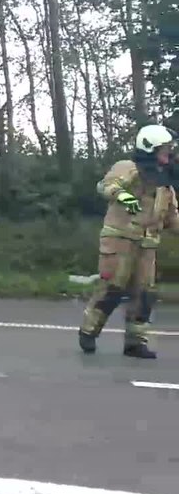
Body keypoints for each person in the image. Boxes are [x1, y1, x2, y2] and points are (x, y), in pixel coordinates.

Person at [79, 124, 179, 359]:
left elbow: (172, 217)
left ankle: (135, 343)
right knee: (112, 288)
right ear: (150, 148)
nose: (170, 153)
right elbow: (106, 185)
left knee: (144, 295)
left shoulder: (165, 185)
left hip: (147, 246)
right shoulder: (128, 168)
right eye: (165, 149)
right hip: (119, 241)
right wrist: (122, 194)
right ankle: (89, 331)